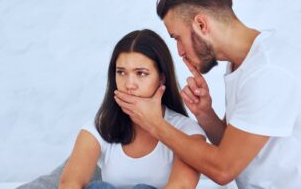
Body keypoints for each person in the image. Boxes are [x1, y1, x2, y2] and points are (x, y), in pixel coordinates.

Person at [114, 0, 301, 188]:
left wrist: (155, 123)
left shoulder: (268, 71)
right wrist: (205, 114)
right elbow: (234, 150)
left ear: (201, 24)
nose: (180, 52)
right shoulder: (243, 64)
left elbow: (223, 169)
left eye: (177, 38)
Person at [58, 29, 206, 189]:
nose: (129, 84)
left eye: (141, 73)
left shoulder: (187, 130)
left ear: (161, 77)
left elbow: (181, 186)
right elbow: (69, 183)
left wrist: (155, 124)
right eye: (121, 72)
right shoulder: (100, 127)